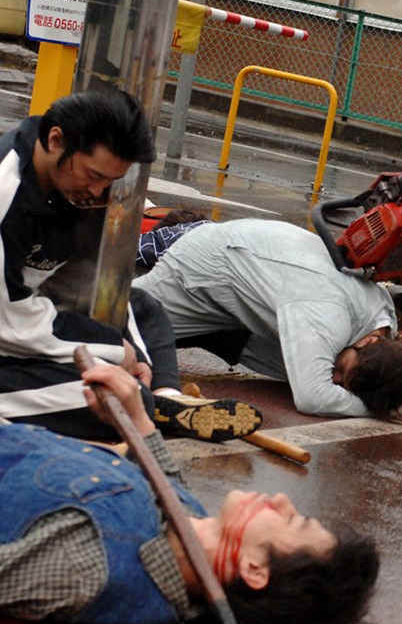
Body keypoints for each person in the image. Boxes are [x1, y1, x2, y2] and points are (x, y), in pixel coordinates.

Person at [0, 362, 379, 624]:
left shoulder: (89, 569)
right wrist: (136, 416)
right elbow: (165, 480)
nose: (282, 500)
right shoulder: (189, 529)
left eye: (292, 521)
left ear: (254, 569)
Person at [0, 89, 260, 442]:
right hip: (9, 326)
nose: (97, 191)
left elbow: (78, 289)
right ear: (56, 140)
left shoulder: (70, 185)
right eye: (93, 175)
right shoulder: (6, 190)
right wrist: (111, 347)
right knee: (104, 399)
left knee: (141, 306)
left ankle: (166, 397)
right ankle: (148, 406)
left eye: (110, 181)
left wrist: (132, 353)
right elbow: (10, 322)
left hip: (26, 318)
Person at [133, 218, 402, 420]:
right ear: (369, 341)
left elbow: (387, 369)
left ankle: (218, 337)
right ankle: (209, 333)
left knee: (312, 369)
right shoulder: (324, 314)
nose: (337, 378)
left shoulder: (383, 322)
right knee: (118, 324)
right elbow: (312, 398)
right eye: (343, 372)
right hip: (202, 267)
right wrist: (377, 410)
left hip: (258, 281)